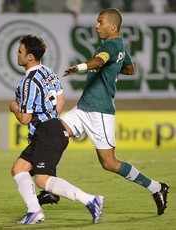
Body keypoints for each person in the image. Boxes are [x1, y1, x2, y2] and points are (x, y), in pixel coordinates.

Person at [60, 8, 169, 215]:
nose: (96, 25)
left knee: (109, 163)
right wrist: (114, 65)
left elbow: (99, 61)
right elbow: (130, 69)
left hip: (99, 112)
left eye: (100, 22)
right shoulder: (118, 45)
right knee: (55, 134)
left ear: (113, 25)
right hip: (83, 108)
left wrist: (81, 67)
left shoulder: (110, 45)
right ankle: (49, 185)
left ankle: (156, 187)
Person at [10, 35, 104, 225]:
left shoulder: (28, 82)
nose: (17, 55)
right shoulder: (48, 72)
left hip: (47, 133)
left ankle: (90, 200)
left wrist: (13, 107)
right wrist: (51, 119)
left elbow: (25, 118)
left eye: (20, 51)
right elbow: (60, 101)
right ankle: (34, 211)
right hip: (53, 128)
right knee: (19, 169)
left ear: (30, 57)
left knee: (42, 181)